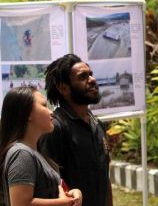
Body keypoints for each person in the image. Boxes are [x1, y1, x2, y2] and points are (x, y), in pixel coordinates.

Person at [39, 54, 113, 206]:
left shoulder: (96, 123)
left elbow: (104, 177)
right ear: (63, 88)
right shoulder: (55, 127)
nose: (92, 80)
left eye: (91, 74)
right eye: (83, 77)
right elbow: (48, 186)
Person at [0, 86, 82, 206]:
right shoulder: (21, 153)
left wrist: (72, 194)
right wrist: (62, 203)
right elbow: (20, 204)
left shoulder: (34, 153)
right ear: (27, 113)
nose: (51, 112)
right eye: (44, 106)